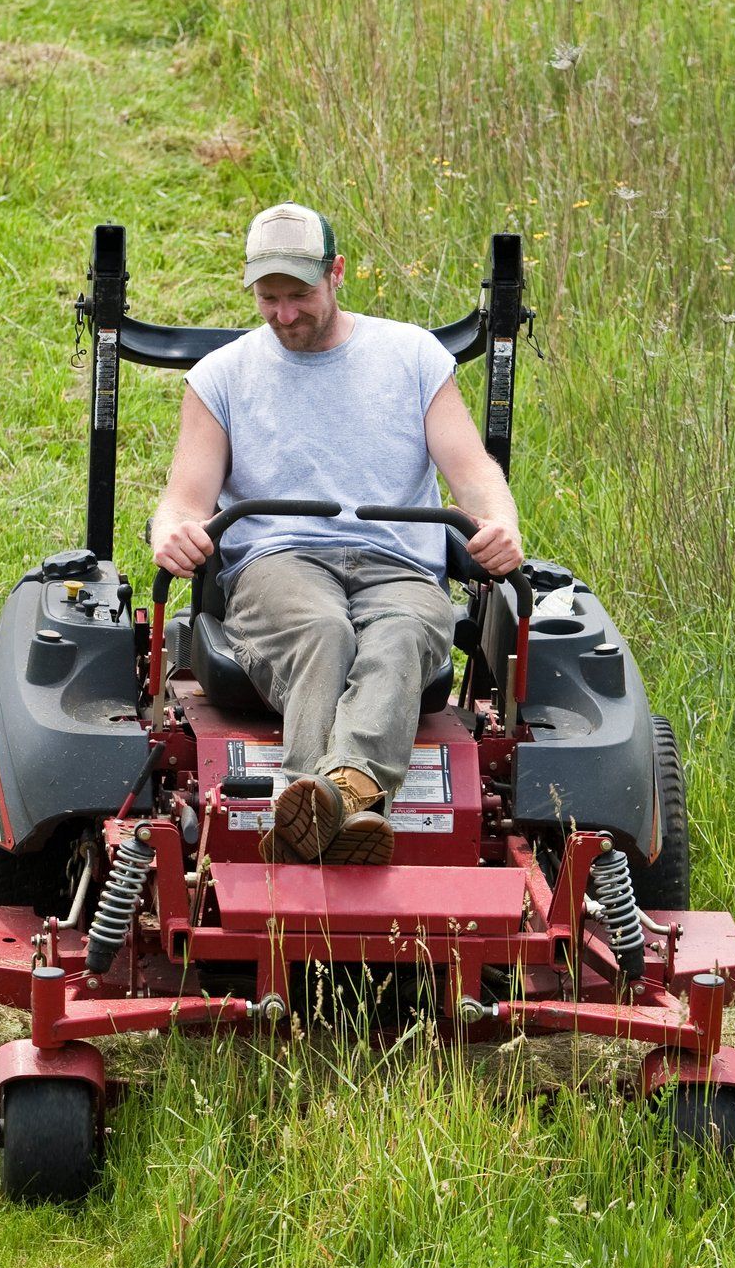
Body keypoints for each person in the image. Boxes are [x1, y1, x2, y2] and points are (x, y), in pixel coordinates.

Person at [150, 202, 524, 865]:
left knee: (404, 633)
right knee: (322, 630)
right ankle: (344, 800)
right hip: (278, 562)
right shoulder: (221, 377)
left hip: (398, 564)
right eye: (269, 299)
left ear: (337, 273)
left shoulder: (411, 356)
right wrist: (173, 534)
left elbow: (473, 474)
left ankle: (321, 802)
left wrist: (499, 524)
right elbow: (183, 501)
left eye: (299, 295)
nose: (284, 314)